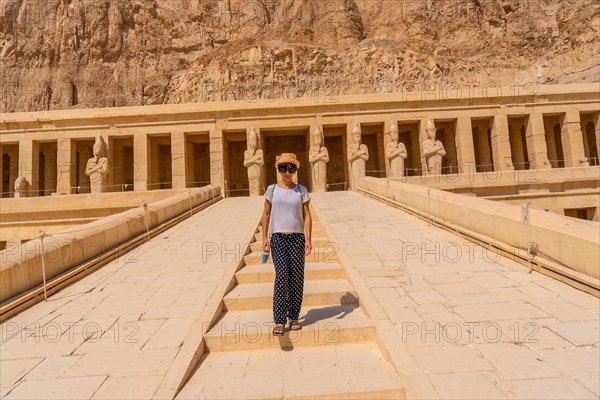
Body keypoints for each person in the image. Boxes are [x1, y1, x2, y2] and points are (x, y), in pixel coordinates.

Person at [261, 153, 312, 336]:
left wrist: (308, 238)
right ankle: (280, 320)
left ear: (295, 169)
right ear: (279, 169)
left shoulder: (301, 190)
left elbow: (307, 214)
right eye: (283, 168)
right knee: (282, 276)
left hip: (297, 238)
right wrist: (264, 239)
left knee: (297, 278)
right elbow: (266, 214)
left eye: (291, 168)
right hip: (278, 238)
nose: (287, 171)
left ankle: (294, 317)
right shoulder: (272, 190)